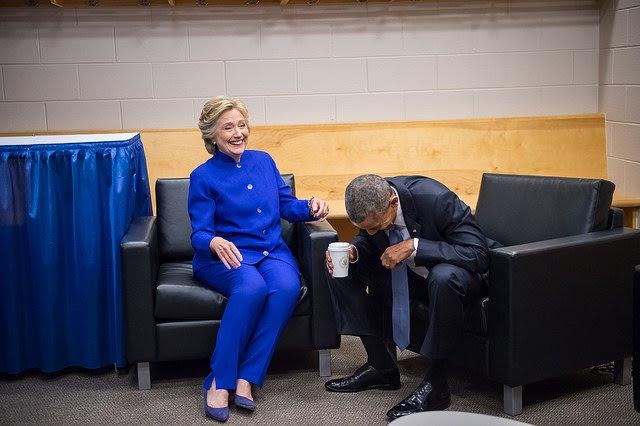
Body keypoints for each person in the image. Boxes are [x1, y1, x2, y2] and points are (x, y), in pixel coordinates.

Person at [189, 96, 329, 422]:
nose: (238, 133)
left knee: (285, 287)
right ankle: (219, 382)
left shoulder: (264, 160)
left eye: (241, 125)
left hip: (271, 252)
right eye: (228, 127)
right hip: (226, 256)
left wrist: (309, 206)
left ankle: (247, 378)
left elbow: (286, 205)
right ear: (212, 135)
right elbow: (198, 233)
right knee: (251, 289)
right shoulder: (203, 176)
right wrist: (213, 239)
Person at [324, 174, 492, 421]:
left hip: (460, 276)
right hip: (414, 276)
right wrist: (354, 251)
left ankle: (437, 386)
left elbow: (479, 254)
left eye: (377, 226)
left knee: (443, 277)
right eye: (365, 227)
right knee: (338, 269)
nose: (371, 232)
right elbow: (369, 239)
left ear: (393, 202)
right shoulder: (374, 196)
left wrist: (415, 245)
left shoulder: (436, 199)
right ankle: (382, 367)